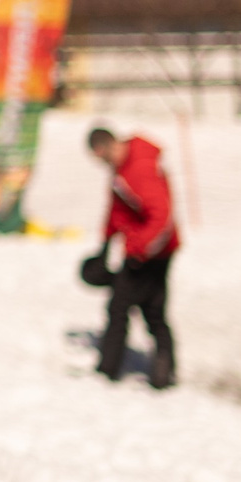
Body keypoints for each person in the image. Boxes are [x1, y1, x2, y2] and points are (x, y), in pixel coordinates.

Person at [86, 126, 180, 389]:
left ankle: (109, 372)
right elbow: (118, 210)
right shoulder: (122, 168)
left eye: (100, 158)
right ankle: (164, 373)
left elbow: (162, 216)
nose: (102, 164)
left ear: (104, 148)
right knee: (149, 309)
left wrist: (140, 250)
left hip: (154, 252)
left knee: (121, 307)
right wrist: (105, 245)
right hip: (146, 248)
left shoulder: (139, 169)